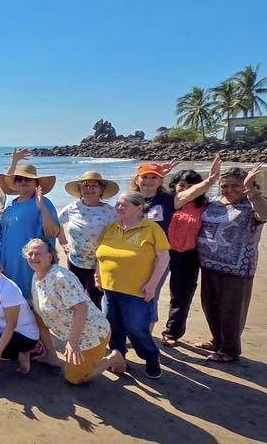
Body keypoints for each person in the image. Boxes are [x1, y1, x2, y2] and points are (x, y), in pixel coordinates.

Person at [129, 156, 221, 328]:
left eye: (154, 177)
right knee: (132, 293)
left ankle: (146, 332)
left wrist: (210, 180)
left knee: (150, 293)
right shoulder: (130, 199)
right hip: (133, 256)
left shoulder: (169, 200)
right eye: (145, 177)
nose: (149, 181)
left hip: (157, 258)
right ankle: (133, 328)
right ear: (137, 179)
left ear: (161, 181)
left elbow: (191, 193)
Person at [196, 165, 267, 363]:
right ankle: (217, 340)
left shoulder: (254, 203)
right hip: (209, 265)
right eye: (225, 186)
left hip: (237, 268)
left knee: (231, 310)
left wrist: (250, 190)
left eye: (235, 186)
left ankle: (230, 350)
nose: (229, 190)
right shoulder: (214, 201)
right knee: (210, 305)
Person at [25, 239, 123, 384]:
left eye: (38, 254)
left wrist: (73, 342)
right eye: (30, 254)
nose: (33, 258)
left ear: (50, 256)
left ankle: (113, 357)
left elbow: (81, 309)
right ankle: (51, 356)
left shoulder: (61, 278)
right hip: (71, 331)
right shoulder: (37, 274)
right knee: (35, 315)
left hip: (91, 335)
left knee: (74, 379)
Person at [95, 191, 170, 379]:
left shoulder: (151, 228)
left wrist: (152, 284)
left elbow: (163, 257)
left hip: (137, 291)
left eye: (124, 205)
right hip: (110, 289)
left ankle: (151, 357)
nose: (119, 208)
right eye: (118, 204)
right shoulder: (112, 228)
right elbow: (100, 254)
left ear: (139, 208)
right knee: (114, 328)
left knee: (136, 329)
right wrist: (98, 275)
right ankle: (118, 358)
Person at [160, 169, 209, 347]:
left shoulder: (205, 208)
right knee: (148, 290)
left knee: (181, 295)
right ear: (175, 186)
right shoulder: (166, 203)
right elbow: (140, 194)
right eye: (182, 185)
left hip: (189, 255)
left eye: (191, 186)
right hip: (162, 253)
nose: (186, 189)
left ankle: (171, 332)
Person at [57, 171, 120, 308]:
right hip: (75, 261)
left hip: (98, 264)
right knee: (76, 297)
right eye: (85, 185)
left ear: (101, 190)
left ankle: (97, 328)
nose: (89, 189)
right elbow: (56, 222)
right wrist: (63, 242)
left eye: (94, 185)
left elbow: (118, 236)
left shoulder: (111, 212)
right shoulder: (73, 207)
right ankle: (80, 327)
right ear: (79, 190)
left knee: (94, 299)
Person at [0, 163, 59, 298]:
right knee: (12, 299)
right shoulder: (11, 204)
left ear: (36, 183)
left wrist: (42, 208)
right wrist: (1, 261)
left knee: (34, 301)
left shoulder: (44, 202)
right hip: (10, 261)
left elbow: (52, 232)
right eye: (19, 179)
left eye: (28, 179)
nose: (23, 182)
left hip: (32, 261)